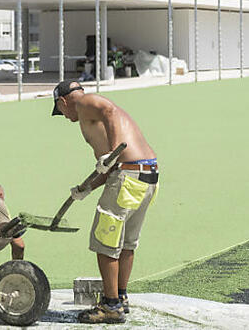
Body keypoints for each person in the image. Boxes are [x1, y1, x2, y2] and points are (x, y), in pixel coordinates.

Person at [51, 80, 159, 324]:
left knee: (105, 242)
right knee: (127, 242)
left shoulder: (84, 103)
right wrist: (86, 188)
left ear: (63, 101)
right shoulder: (92, 119)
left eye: (60, 111)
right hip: (146, 175)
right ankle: (120, 296)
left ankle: (110, 306)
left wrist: (112, 152)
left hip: (128, 175)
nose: (64, 117)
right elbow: (108, 169)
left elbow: (108, 111)